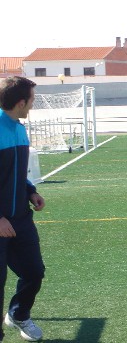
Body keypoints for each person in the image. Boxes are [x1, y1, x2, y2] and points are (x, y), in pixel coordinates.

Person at [0, 76, 46, 342]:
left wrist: (30, 191)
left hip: (21, 218)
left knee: (34, 272)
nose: (33, 104)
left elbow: (15, 173)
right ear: (20, 102)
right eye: (32, 100)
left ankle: (18, 313)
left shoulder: (19, 128)